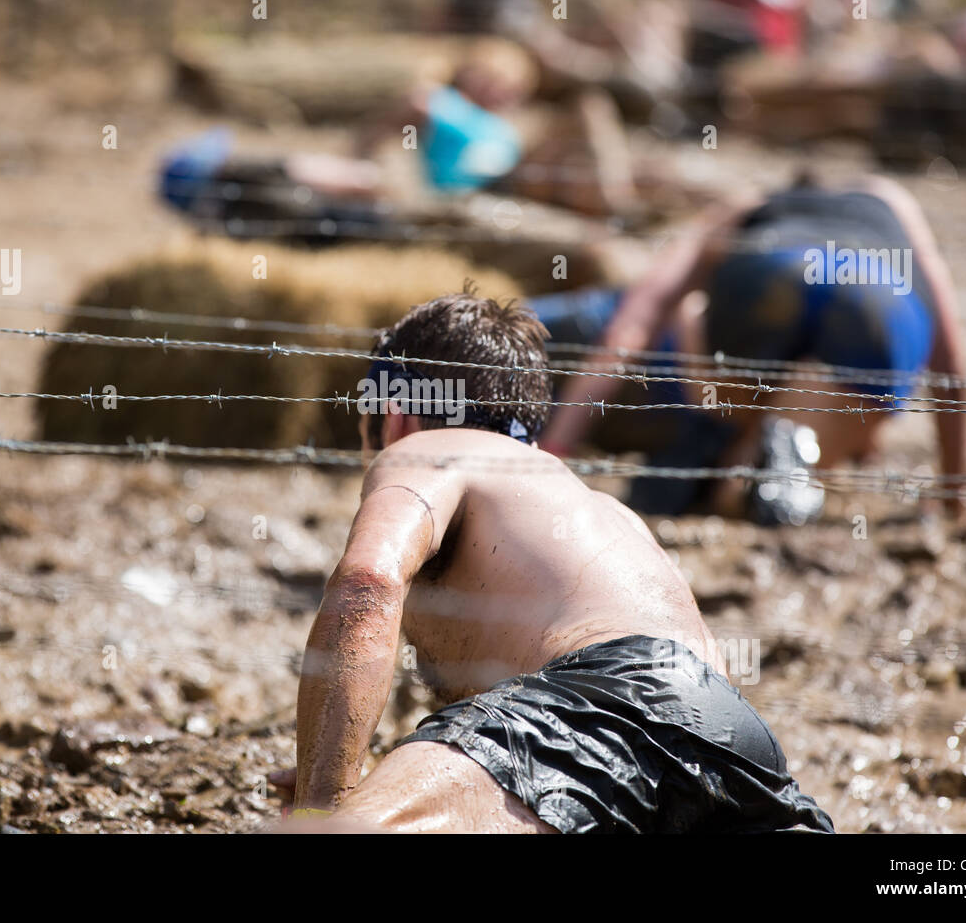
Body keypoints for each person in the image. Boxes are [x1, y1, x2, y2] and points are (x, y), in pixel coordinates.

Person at [276, 291, 834, 833]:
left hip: (600, 704)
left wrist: (320, 808)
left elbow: (368, 581)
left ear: (393, 418)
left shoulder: (426, 449)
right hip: (733, 743)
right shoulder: (602, 513)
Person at [533, 174, 966, 522]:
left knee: (702, 351)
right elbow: (949, 360)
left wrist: (559, 446)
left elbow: (635, 320)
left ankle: (743, 465)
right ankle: (769, 471)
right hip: (881, 301)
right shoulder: (889, 198)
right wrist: (955, 492)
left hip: (769, 271)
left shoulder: (746, 207)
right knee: (764, 479)